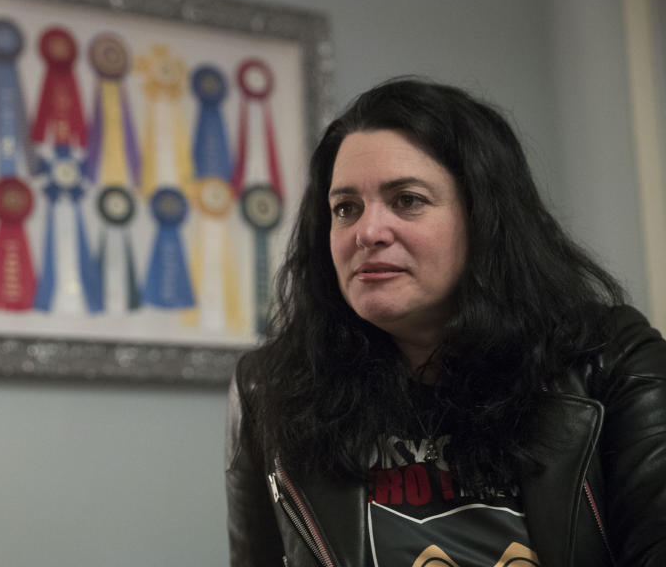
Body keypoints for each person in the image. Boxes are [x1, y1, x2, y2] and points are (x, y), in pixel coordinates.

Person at [225, 77, 666, 567]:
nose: (367, 232)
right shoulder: (271, 386)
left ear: (483, 218)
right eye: (345, 208)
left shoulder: (613, 362)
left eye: (407, 200)